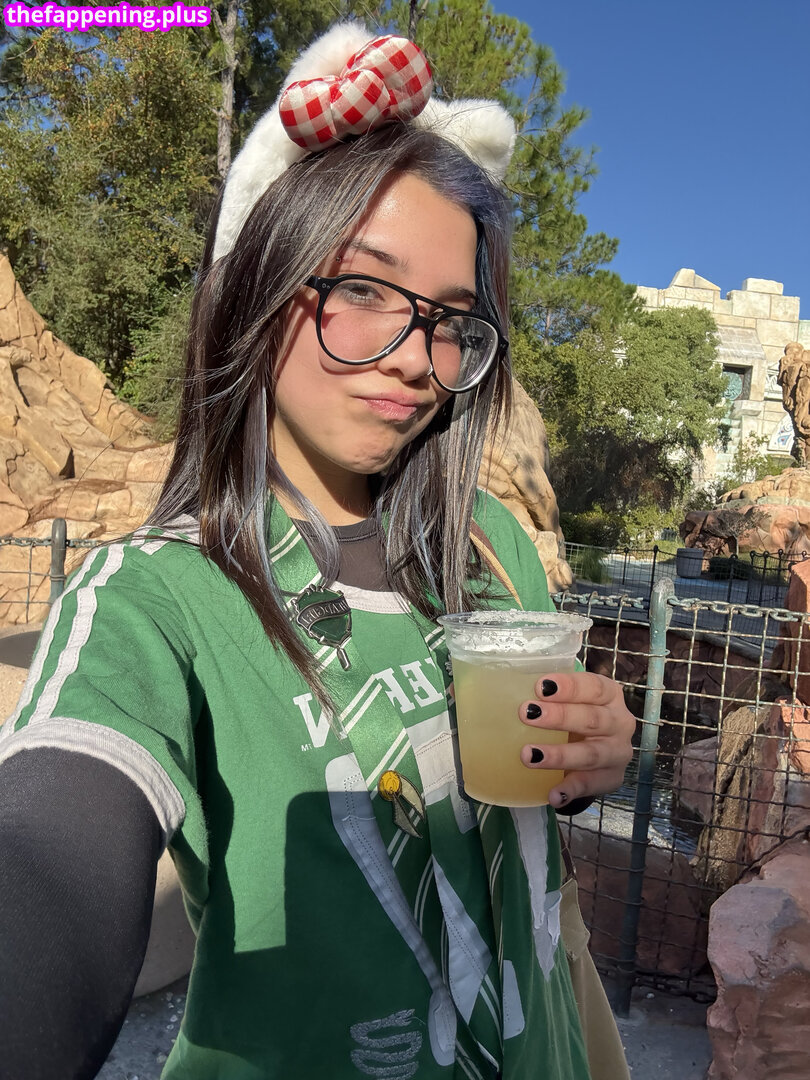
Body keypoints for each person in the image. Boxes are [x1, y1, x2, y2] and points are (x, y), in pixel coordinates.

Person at [0, 22, 635, 1080]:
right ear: (257, 287)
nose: (415, 359)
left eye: (450, 320)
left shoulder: (491, 551)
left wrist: (581, 767)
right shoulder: (159, 600)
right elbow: (47, 856)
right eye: (363, 290)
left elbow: (522, 814)